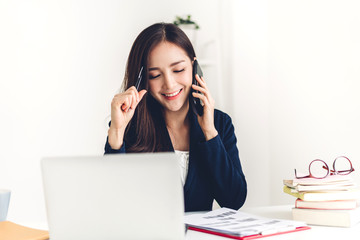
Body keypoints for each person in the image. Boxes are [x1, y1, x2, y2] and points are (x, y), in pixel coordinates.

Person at [104, 22, 247, 212]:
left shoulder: (219, 123)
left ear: (194, 67)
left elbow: (234, 200)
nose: (170, 85)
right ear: (141, 80)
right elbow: (111, 203)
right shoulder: (131, 127)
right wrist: (116, 133)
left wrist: (209, 133)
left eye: (178, 70)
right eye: (154, 75)